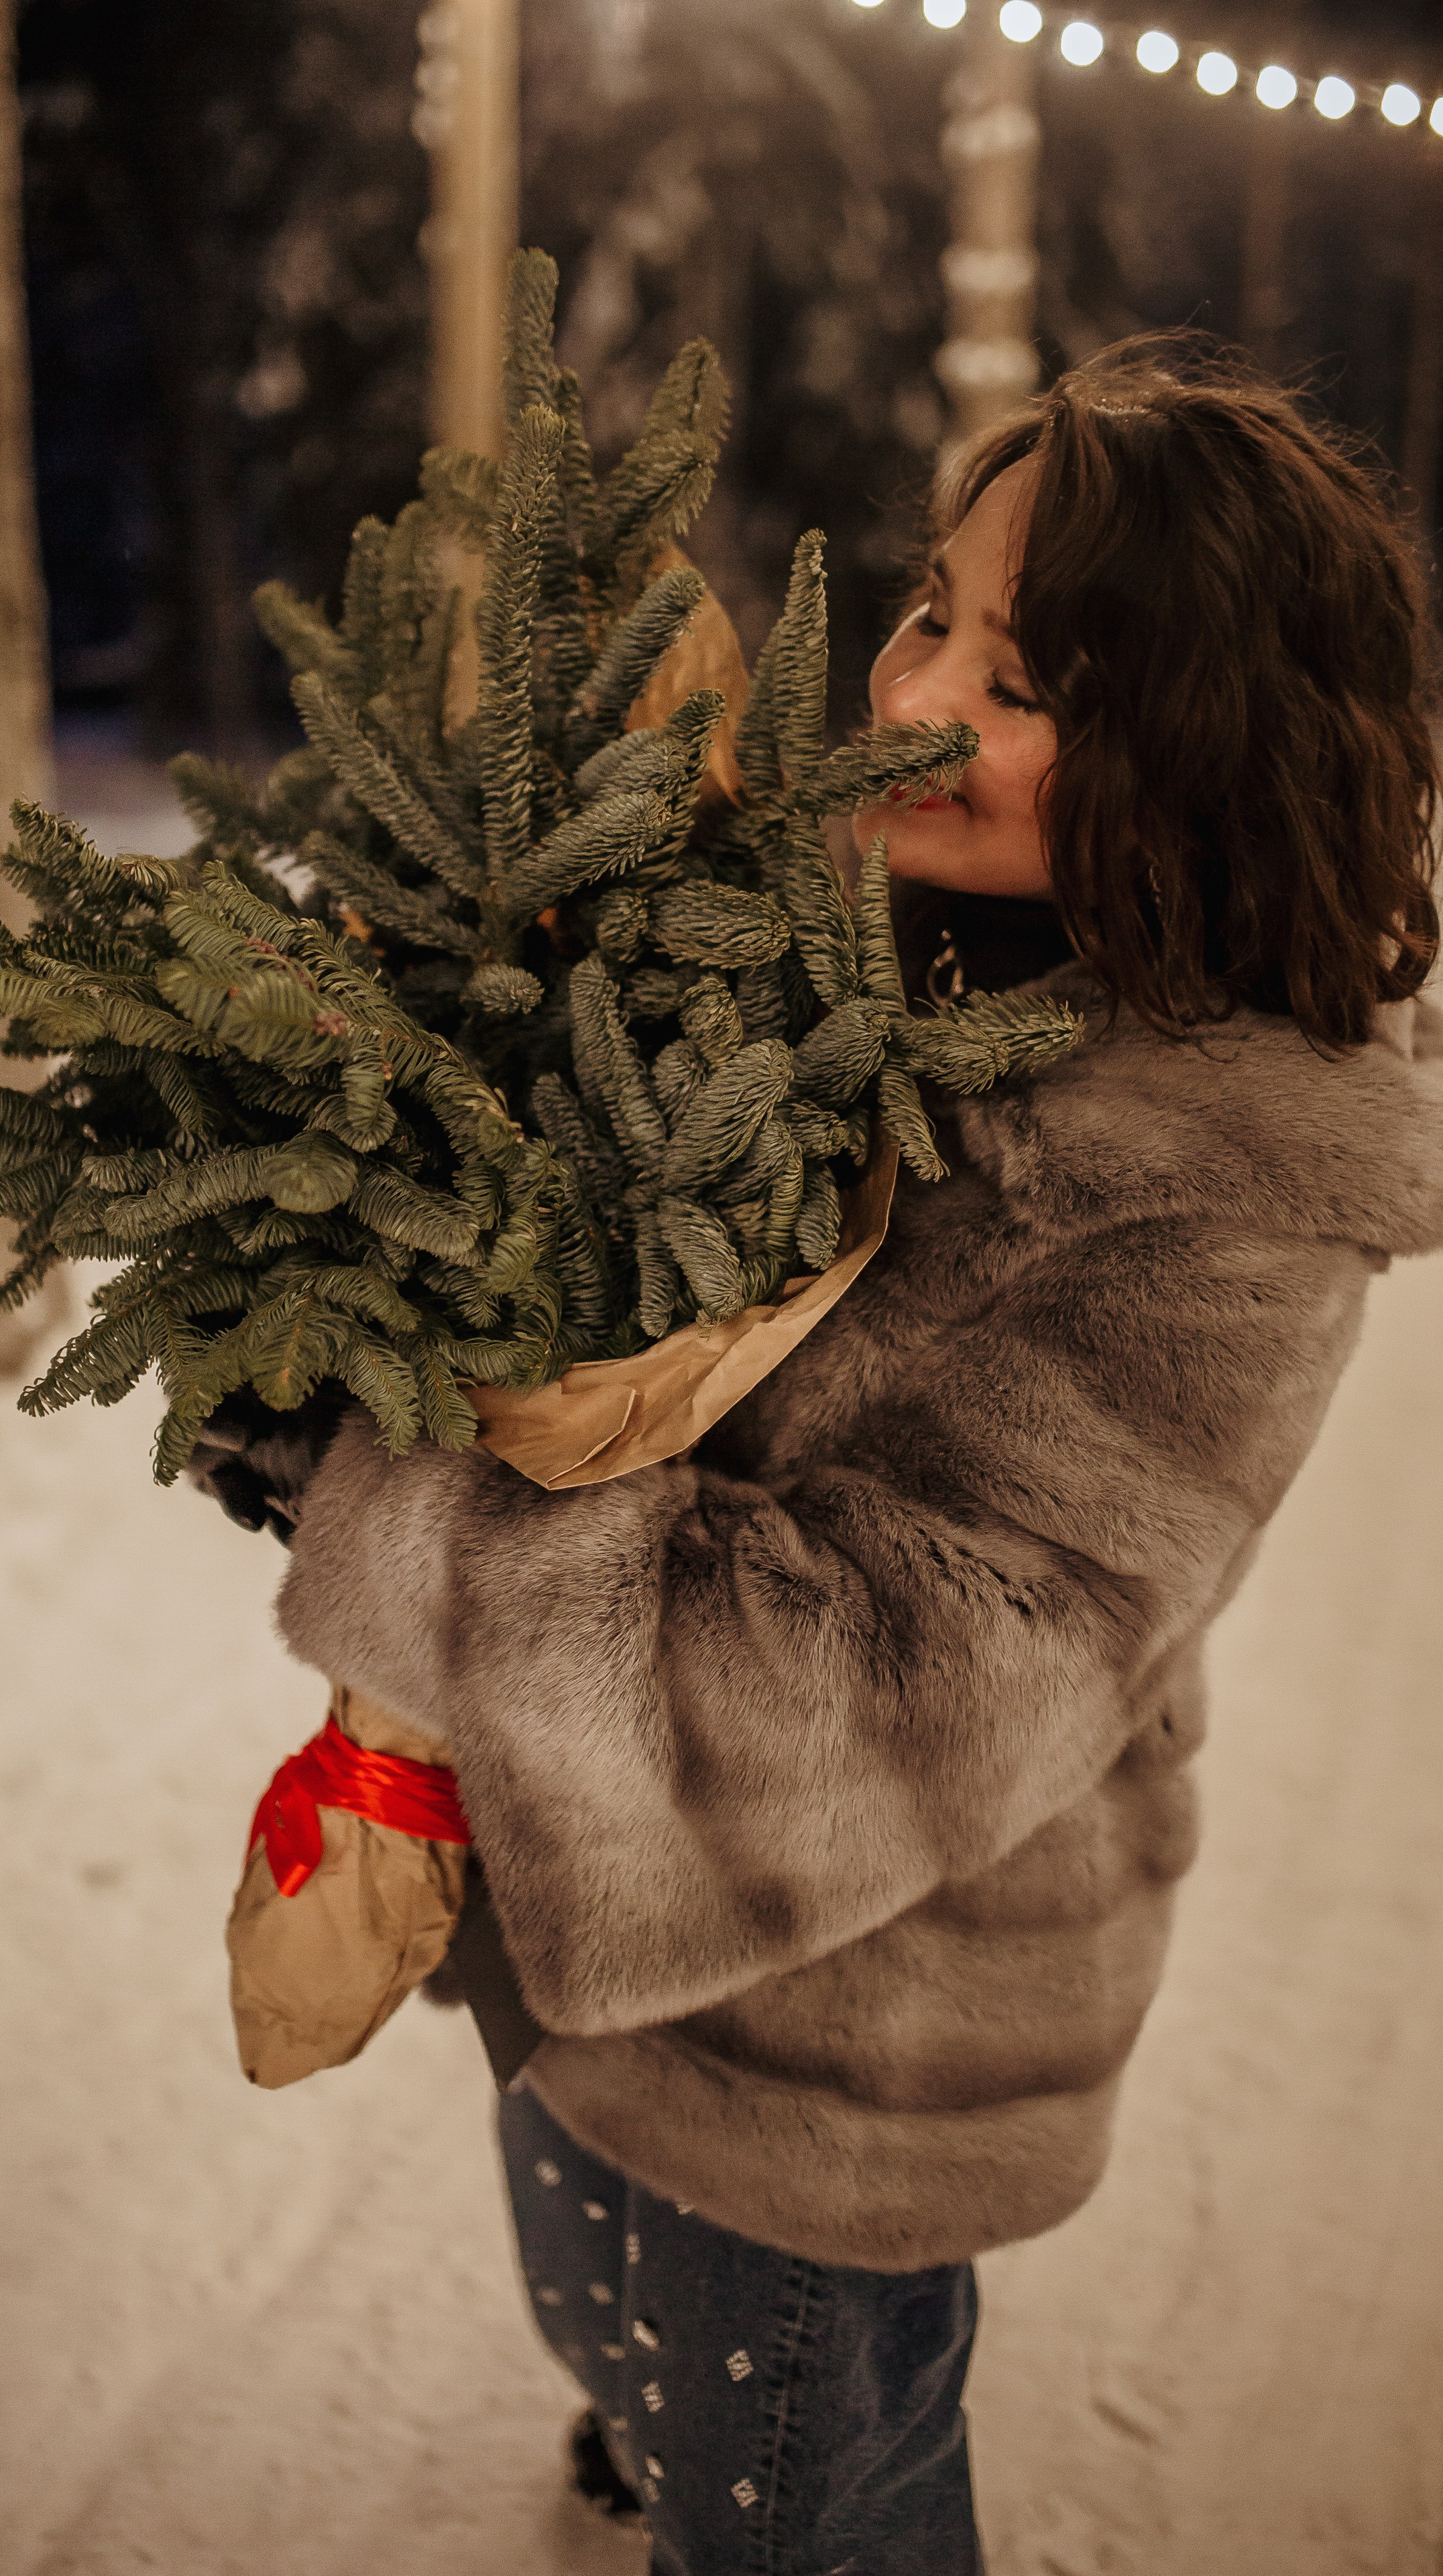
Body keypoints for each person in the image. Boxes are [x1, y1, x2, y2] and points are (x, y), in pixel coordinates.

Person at [192, 339, 1443, 2574]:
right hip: (591, 1891)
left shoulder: (1223, 1209)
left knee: (804, 2487)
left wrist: (386, 1493)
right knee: (589, 2264)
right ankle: (643, 2426)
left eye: (1027, 668)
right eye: (927, 613)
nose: (924, 685)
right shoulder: (837, 942)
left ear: (1211, 738)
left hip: (843, 2034)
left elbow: (873, 1684)